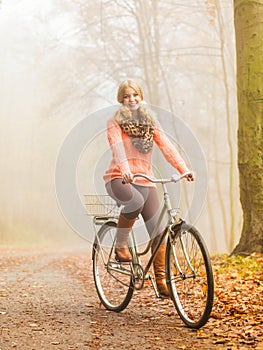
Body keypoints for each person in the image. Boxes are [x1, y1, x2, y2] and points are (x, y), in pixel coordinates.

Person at [103, 79, 194, 297]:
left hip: (146, 179)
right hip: (119, 178)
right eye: (126, 96)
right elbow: (117, 148)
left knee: (160, 232)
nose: (131, 99)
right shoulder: (114, 121)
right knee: (134, 201)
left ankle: (162, 284)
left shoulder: (149, 121)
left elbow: (166, 146)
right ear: (121, 100)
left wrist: (184, 168)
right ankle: (120, 245)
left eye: (134, 95)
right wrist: (125, 168)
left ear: (140, 96)